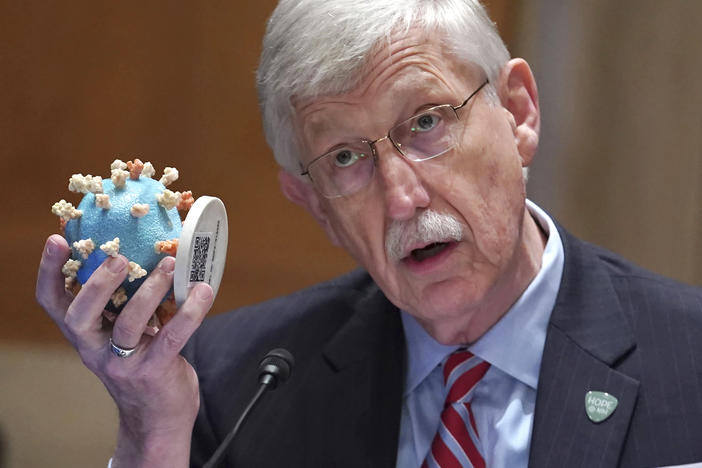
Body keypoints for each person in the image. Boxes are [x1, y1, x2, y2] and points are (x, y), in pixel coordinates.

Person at [36, 0, 702, 467]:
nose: (403, 196)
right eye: (346, 159)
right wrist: (152, 431)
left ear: (519, 113)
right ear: (314, 203)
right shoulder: (235, 386)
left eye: (427, 123)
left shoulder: (690, 358)